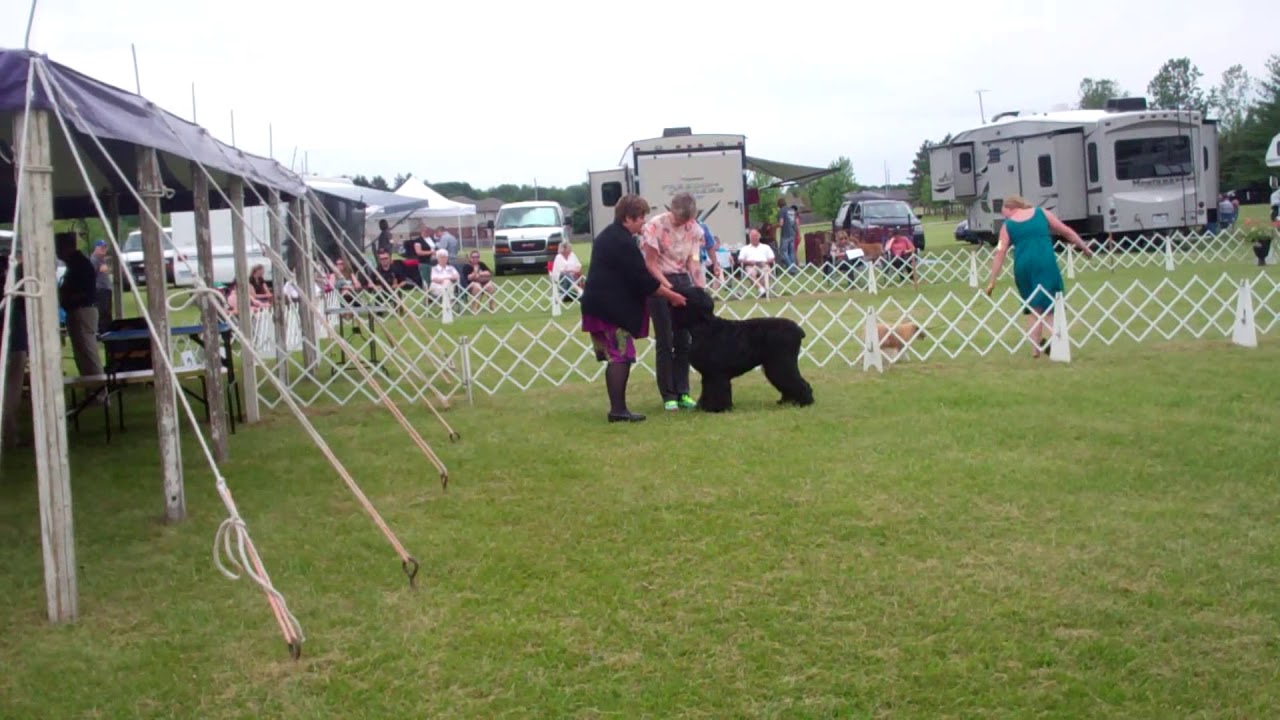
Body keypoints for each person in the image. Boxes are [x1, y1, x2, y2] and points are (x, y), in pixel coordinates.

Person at [581, 194, 687, 423]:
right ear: (627, 218)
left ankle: (618, 408)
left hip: (598, 307)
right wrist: (672, 296)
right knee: (621, 356)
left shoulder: (611, 236)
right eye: (641, 218)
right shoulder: (622, 242)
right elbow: (643, 280)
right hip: (608, 311)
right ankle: (618, 410)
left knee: (616, 357)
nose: (644, 222)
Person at [984, 195, 1093, 357]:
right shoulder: (1042, 213)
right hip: (1045, 262)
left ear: (1012, 208)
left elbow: (1000, 251)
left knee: (1032, 307)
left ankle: (1035, 348)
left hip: (1023, 267)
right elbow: (1065, 231)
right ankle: (1054, 342)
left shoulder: (1007, 227)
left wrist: (992, 280)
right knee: (1049, 305)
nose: (1006, 217)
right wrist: (1084, 247)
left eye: (1005, 213)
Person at [640, 191, 706, 412]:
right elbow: (650, 264)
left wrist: (699, 288)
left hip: (682, 279)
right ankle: (668, 394)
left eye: (686, 220)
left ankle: (683, 392)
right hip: (659, 282)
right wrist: (668, 290)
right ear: (672, 211)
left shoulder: (695, 229)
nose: (682, 224)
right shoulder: (654, 226)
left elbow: (694, 260)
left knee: (684, 340)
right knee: (665, 340)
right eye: (679, 219)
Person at [55, 232, 103, 378]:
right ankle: (91, 386)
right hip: (77, 311)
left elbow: (84, 291)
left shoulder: (80, 264)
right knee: (81, 353)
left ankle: (99, 389)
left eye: (59, 248)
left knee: (88, 352)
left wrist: (67, 296)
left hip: (83, 310)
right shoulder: (73, 264)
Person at [1, 254, 29, 447]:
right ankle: (8, 435)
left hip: (12, 344)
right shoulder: (10, 292)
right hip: (13, 346)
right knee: (10, 392)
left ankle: (10, 433)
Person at [738, 229, 775, 297]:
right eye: (752, 236)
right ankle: (761, 289)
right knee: (751, 273)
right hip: (750, 266)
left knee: (767, 272)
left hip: (763, 265)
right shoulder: (745, 248)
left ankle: (762, 290)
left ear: (759, 236)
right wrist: (749, 262)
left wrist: (765, 262)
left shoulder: (766, 247)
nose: (754, 238)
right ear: (749, 238)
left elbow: (772, 258)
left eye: (755, 236)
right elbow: (740, 259)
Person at [90, 240, 114, 332]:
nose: (104, 249)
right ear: (96, 248)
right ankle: (102, 330)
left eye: (105, 247)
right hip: (100, 289)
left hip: (106, 288)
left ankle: (108, 329)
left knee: (107, 311)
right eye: (102, 247)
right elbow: (91, 276)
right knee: (103, 311)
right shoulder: (94, 260)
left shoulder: (102, 260)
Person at [776, 198, 798, 271]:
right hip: (793, 233)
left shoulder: (782, 211)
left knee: (784, 252)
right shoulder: (792, 210)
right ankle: (794, 268)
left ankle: (791, 268)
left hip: (785, 234)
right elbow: (796, 222)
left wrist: (774, 226)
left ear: (779, 205)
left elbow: (781, 223)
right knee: (791, 252)